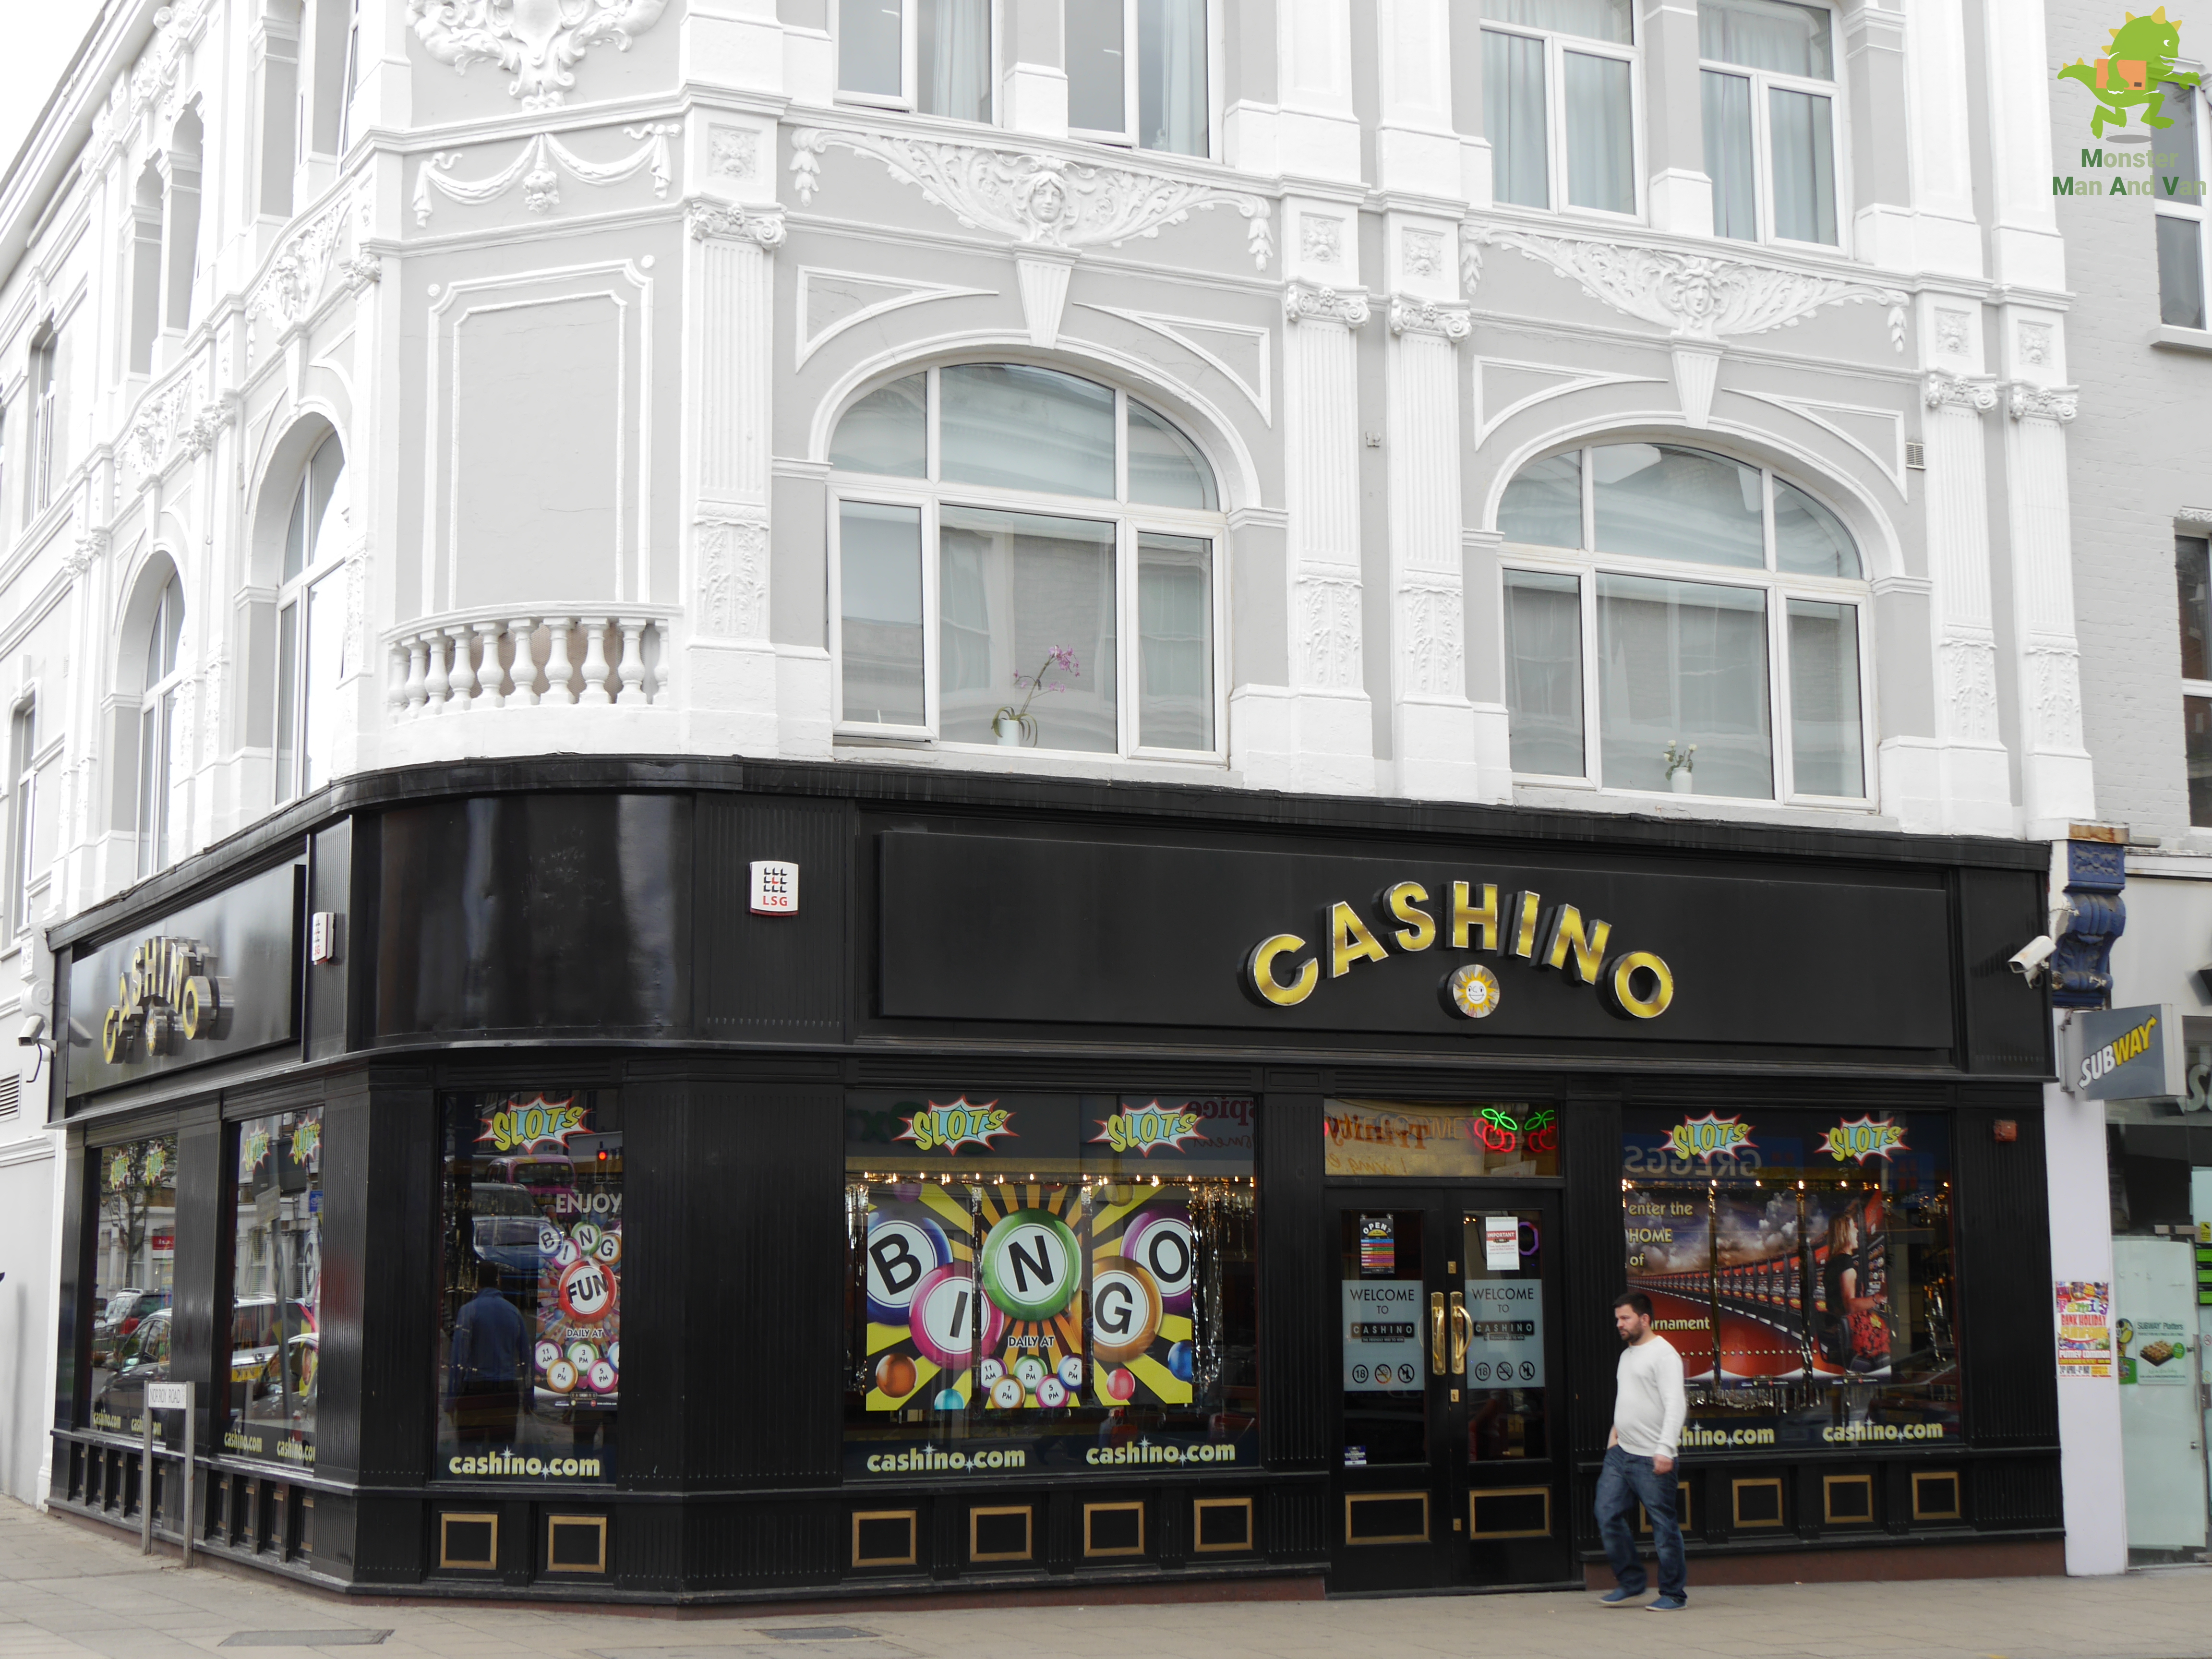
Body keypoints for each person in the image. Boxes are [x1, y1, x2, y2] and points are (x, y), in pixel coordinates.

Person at [1595, 1289, 1688, 1611]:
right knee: (1606, 1513)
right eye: (1617, 1318)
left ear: (1645, 1319)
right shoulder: (1627, 1355)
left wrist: (1665, 1449)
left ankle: (1674, 1594)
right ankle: (1632, 1582)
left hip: (1653, 1456)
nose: (1619, 1324)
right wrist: (1614, 1437)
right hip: (1621, 1453)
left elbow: (1676, 1405)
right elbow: (1629, 1400)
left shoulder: (1664, 1355)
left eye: (1625, 1318)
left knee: (1663, 1526)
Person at [448, 1259, 529, 1445]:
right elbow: (526, 1357)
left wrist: (452, 1399)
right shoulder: (514, 1313)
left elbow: (459, 1358)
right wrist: (528, 1395)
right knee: (501, 1452)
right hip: (507, 1392)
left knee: (471, 1454)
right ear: (498, 1281)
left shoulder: (468, 1312)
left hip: (476, 1392)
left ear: (477, 1283)